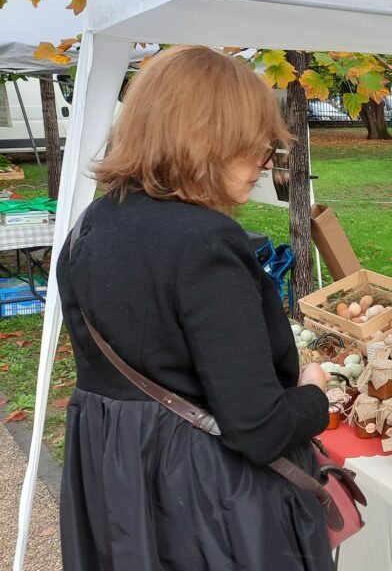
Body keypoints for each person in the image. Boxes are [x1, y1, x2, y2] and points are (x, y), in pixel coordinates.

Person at [57, 46, 333, 570]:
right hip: (198, 495)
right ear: (205, 136)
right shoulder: (206, 241)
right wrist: (316, 395)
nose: (265, 159)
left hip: (116, 479)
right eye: (255, 142)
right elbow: (259, 428)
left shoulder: (90, 226)